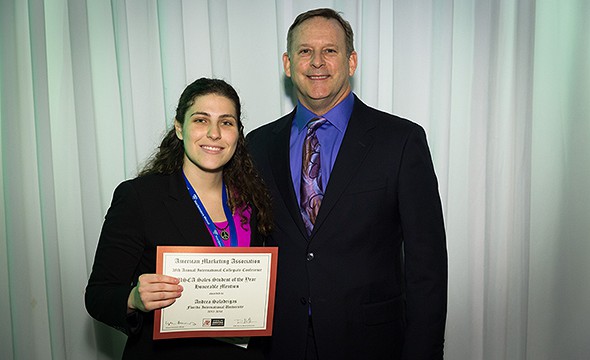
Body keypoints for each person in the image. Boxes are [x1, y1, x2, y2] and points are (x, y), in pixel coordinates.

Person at [246, 8, 447, 360]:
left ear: (351, 61)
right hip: (280, 344)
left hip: (371, 344)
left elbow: (426, 267)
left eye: (330, 50)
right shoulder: (258, 145)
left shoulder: (400, 141)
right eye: (305, 51)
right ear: (288, 64)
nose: (317, 62)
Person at [85, 77, 272, 359]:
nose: (213, 133)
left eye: (226, 122)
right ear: (179, 128)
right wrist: (133, 298)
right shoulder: (139, 198)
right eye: (200, 120)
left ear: (237, 134)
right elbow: (98, 296)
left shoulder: (254, 201)